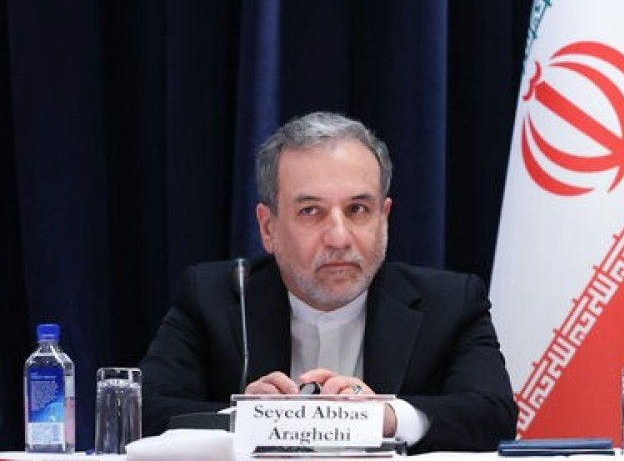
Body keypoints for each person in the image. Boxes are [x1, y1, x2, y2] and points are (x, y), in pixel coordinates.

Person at [140, 111, 518, 452]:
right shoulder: (214, 297)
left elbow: (493, 415)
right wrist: (246, 420)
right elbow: (143, 410)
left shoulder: (450, 303)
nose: (339, 237)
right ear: (268, 228)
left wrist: (385, 416)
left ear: (384, 218)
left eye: (358, 210)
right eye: (311, 211)